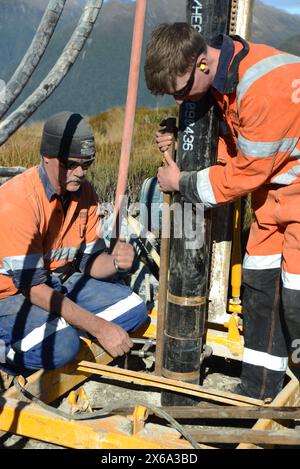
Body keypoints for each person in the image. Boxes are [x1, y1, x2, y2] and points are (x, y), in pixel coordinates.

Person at [144, 22, 300, 400]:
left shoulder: (264, 87)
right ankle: (258, 391)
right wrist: (185, 136)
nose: (181, 102)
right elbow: (238, 146)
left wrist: (180, 182)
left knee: (297, 303)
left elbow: (245, 173)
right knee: (259, 291)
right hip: (272, 202)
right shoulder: (220, 81)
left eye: (180, 92)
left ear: (201, 63)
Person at [0, 111, 148, 373]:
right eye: (71, 164)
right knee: (62, 347)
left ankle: (61, 328)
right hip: (12, 294)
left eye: (87, 164)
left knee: (135, 310)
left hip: (59, 281)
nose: (80, 173)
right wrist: (99, 327)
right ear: (48, 158)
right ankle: (8, 355)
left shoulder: (85, 194)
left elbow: (91, 262)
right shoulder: (18, 201)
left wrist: (114, 262)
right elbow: (34, 289)